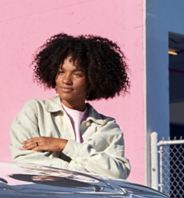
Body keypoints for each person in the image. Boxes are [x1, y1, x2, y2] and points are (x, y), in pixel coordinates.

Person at [10, 34, 131, 179]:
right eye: (61, 71)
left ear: (93, 78)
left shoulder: (107, 127)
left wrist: (64, 145)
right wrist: (84, 172)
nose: (66, 80)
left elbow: (117, 173)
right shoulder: (35, 111)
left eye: (77, 74)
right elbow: (25, 161)